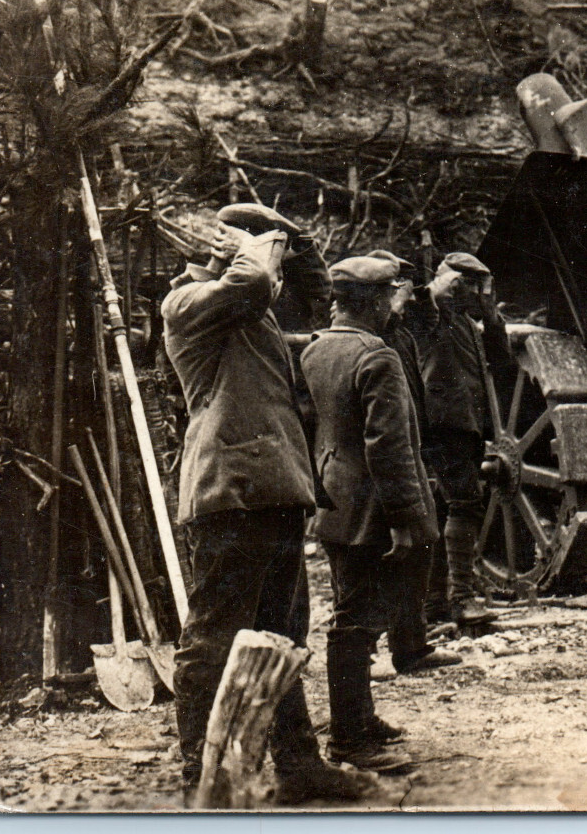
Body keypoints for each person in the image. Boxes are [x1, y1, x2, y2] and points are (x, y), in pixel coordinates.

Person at [161, 203, 366, 807]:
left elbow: (312, 289)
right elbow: (252, 279)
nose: (264, 256)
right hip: (232, 487)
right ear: (213, 250)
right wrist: (250, 244)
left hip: (272, 486)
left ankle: (299, 765)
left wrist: (294, 233)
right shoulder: (187, 303)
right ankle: (200, 774)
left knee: (282, 633)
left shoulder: (248, 310)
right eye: (242, 244)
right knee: (214, 636)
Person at [300, 255, 442, 773]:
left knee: (352, 609)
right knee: (358, 620)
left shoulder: (317, 348)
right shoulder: (376, 355)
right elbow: (389, 445)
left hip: (336, 495)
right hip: (374, 506)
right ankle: (348, 739)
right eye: (388, 297)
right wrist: (406, 518)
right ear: (376, 302)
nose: (393, 305)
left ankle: (360, 717)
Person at [367, 249, 463, 673]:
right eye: (398, 289)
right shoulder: (369, 335)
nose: (406, 297)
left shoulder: (401, 330)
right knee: (371, 555)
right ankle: (365, 648)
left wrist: (418, 294)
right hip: (377, 461)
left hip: (412, 451)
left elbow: (429, 320)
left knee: (420, 547)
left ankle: (411, 645)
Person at [411, 252, 512, 628]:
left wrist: (490, 314)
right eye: (470, 285)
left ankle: (435, 603)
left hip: (466, 424)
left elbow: (503, 361)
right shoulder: (428, 314)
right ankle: (462, 598)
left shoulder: (468, 323)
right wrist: (442, 286)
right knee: (465, 503)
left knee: (445, 508)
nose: (475, 292)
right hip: (443, 425)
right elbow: (422, 300)